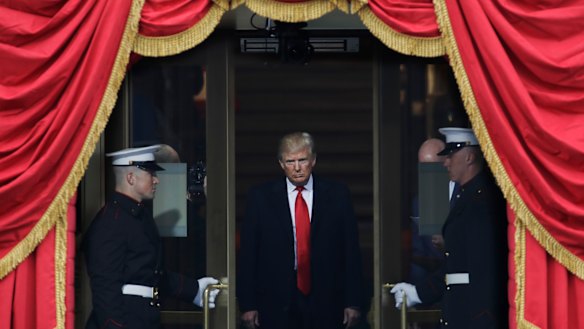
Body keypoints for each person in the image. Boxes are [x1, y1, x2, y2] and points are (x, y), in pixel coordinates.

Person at [237, 132, 364, 329]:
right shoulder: (260, 197)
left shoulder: (337, 194)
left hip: (327, 297)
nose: (297, 168)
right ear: (281, 163)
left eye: (302, 160)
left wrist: (353, 301)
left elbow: (351, 251)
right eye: (290, 161)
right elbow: (248, 253)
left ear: (313, 160)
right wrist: (247, 304)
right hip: (275, 299)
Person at [84, 145, 220, 329]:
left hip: (144, 318)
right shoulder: (111, 222)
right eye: (150, 173)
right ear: (130, 178)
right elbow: (105, 288)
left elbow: (152, 274)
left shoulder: (140, 217)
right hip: (127, 319)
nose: (156, 180)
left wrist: (194, 290)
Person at [391, 128, 508, 329]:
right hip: (458, 310)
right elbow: (455, 264)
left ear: (470, 157)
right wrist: (418, 292)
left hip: (474, 315)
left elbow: (482, 268)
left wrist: (483, 318)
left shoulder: (481, 202)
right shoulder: (467, 198)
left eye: (452, 155)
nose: (446, 162)